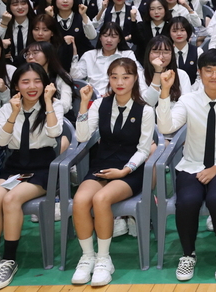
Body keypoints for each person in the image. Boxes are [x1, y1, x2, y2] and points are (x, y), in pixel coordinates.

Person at [156, 49, 216, 282]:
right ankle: (188, 254)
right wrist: (165, 91)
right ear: (199, 73)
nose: (214, 76)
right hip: (192, 165)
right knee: (187, 201)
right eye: (208, 70)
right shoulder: (188, 100)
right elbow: (165, 127)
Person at [71, 58, 155, 286]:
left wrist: (124, 170)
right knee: (79, 200)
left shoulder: (145, 110)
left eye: (125, 77)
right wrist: (83, 104)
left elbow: (144, 149)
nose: (119, 82)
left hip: (130, 168)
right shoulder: (100, 105)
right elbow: (81, 137)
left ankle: (103, 258)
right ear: (108, 79)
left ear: (135, 79)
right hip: (102, 164)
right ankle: (87, 256)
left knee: (101, 199)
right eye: (114, 77)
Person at [0, 63, 62, 289]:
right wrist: (14, 113)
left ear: (45, 84)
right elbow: (1, 142)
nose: (31, 86)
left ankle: (9, 260)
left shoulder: (54, 106)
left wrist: (49, 102)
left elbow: (55, 134)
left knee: (11, 199)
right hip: (14, 166)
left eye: (37, 81)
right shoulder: (7, 108)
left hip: (42, 167)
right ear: (16, 86)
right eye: (25, 81)